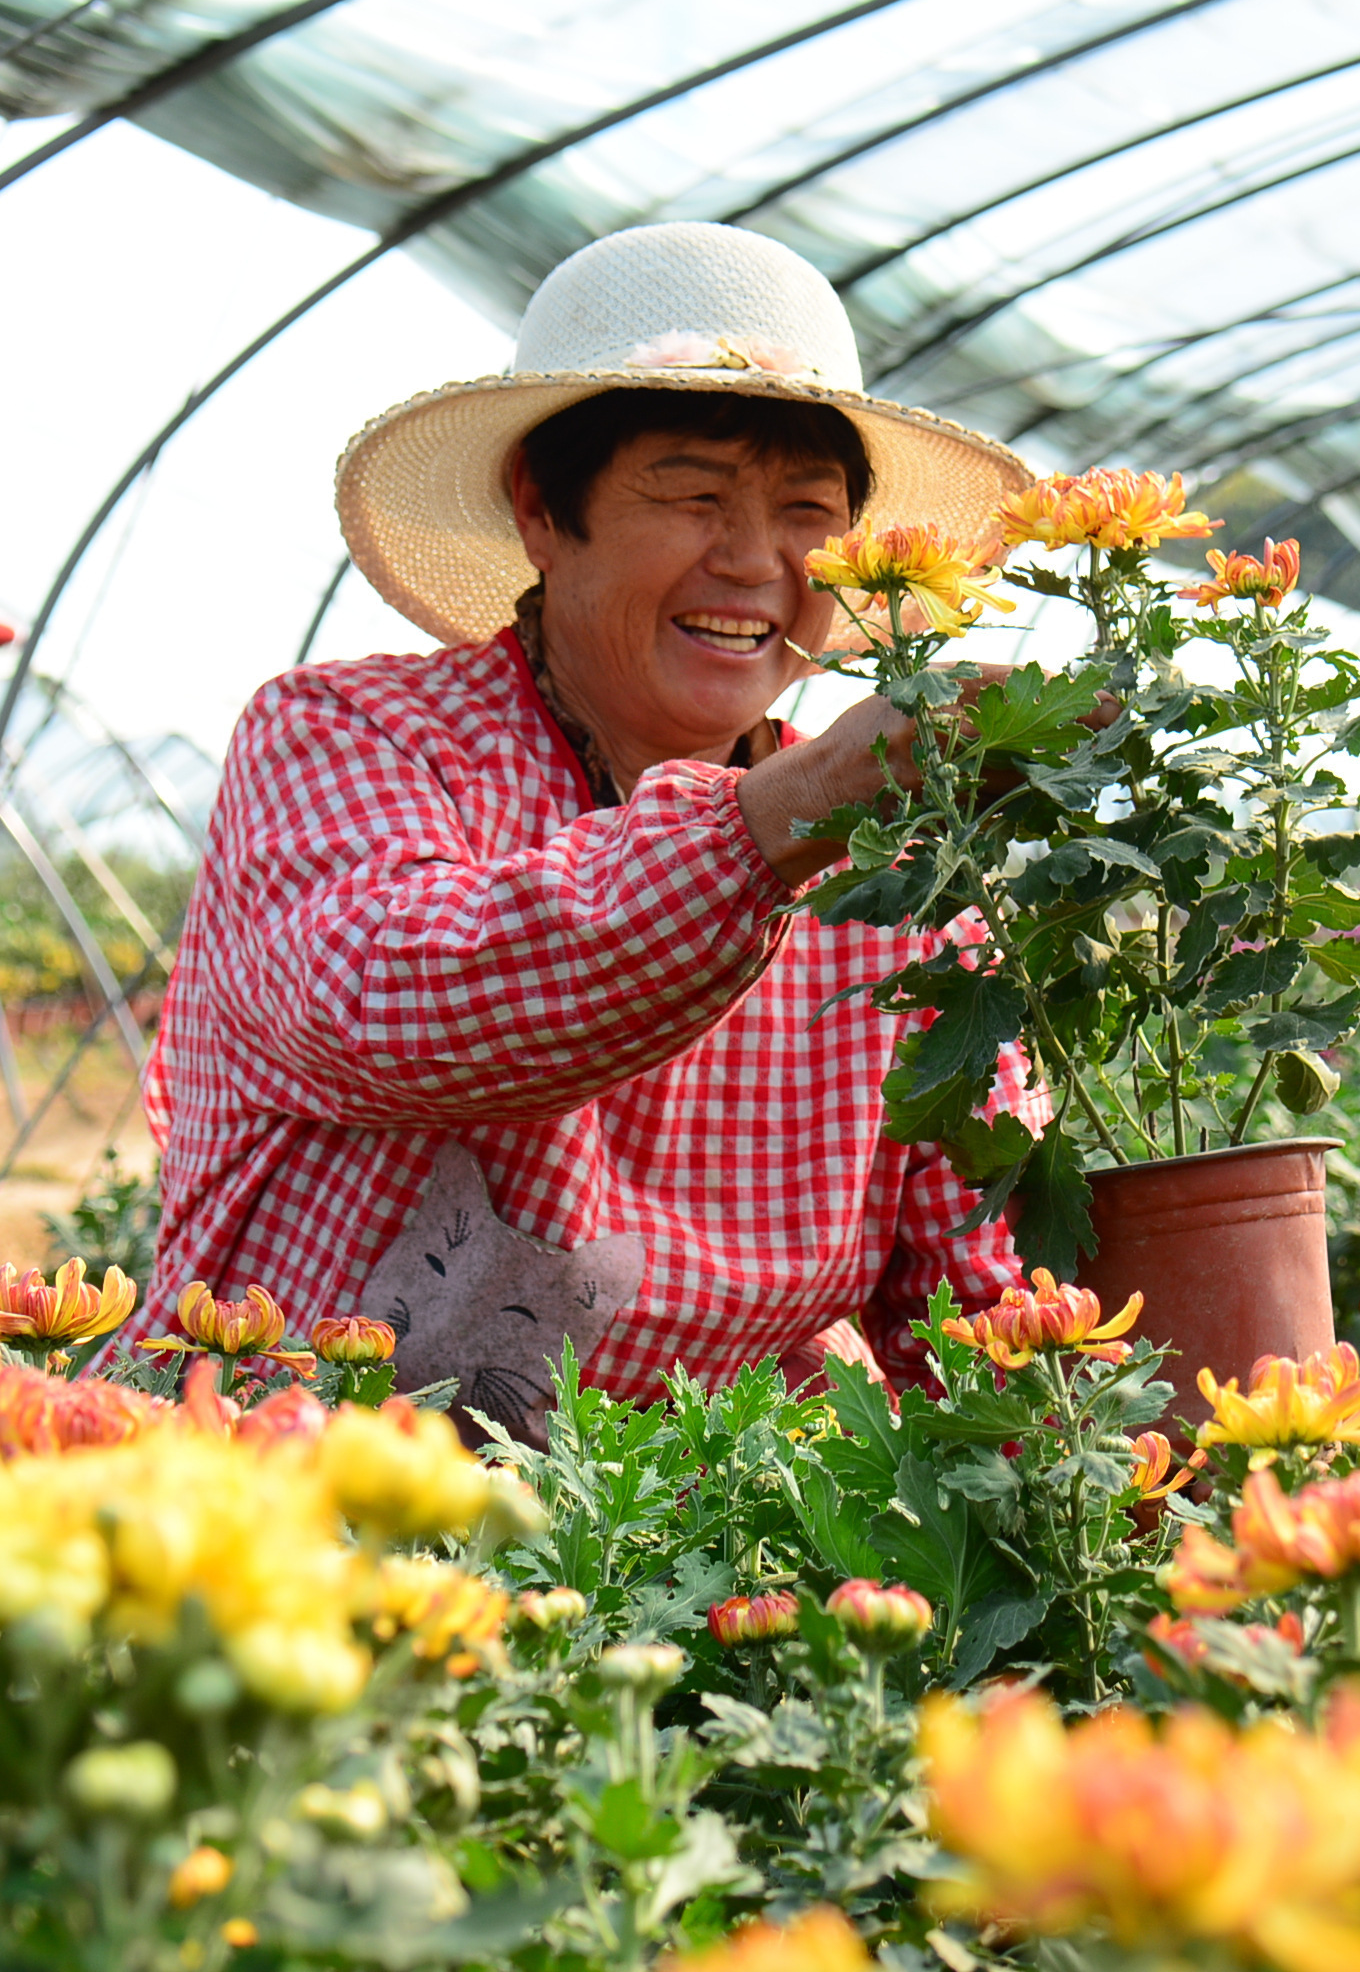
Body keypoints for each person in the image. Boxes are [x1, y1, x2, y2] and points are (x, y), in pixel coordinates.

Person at [118, 222, 1039, 1433]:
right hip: (284, 1501)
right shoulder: (354, 736)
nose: (756, 561)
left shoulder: (900, 889)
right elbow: (384, 1001)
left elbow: (978, 1299)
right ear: (543, 511)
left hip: (664, 1564)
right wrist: (783, 815)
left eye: (807, 511)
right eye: (695, 494)